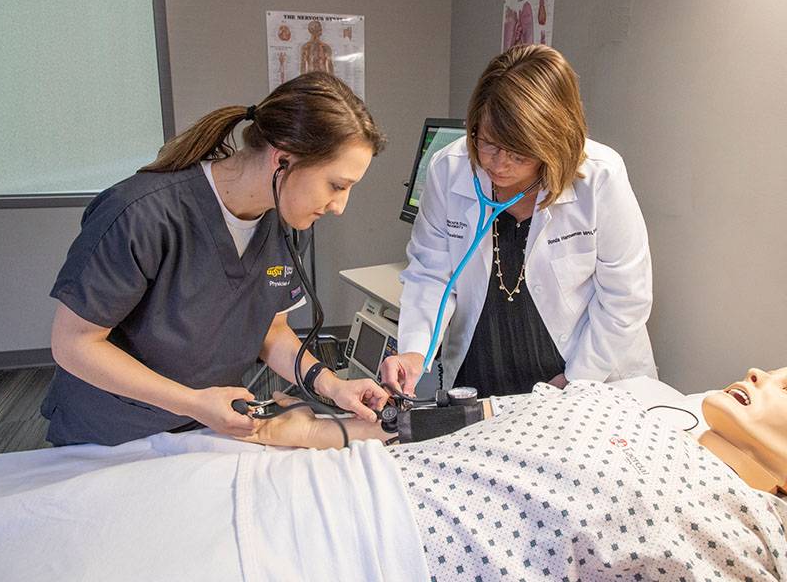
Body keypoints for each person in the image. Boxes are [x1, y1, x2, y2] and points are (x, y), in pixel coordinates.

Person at [41, 72, 390, 446]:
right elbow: (74, 344)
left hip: (206, 428)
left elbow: (269, 331)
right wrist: (193, 402)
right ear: (282, 160)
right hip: (111, 433)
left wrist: (331, 385)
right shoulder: (142, 214)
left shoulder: (286, 223)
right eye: (336, 186)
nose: (340, 207)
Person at [236, 366, 787, 579]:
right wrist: (320, 432)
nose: (761, 371)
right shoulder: (614, 402)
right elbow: (460, 418)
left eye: (786, 387)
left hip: (382, 560)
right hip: (339, 488)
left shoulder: (747, 540)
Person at [380, 44, 657, 397]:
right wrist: (414, 352)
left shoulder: (600, 177)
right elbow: (431, 273)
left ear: (553, 143)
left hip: (585, 369)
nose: (499, 164)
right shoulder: (449, 170)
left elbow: (625, 298)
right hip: (483, 368)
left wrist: (576, 379)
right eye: (490, 144)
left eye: (519, 152)